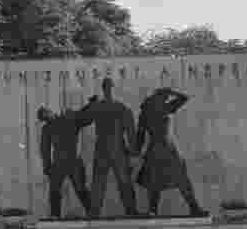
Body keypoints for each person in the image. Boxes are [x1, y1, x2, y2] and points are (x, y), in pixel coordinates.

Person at [135, 88, 207, 218]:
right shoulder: (147, 113)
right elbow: (140, 136)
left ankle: (194, 208)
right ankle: (153, 210)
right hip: (156, 149)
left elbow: (184, 98)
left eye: (164, 98)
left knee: (181, 179)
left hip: (169, 149)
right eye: (161, 97)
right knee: (154, 182)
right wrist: (137, 152)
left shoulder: (167, 108)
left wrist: (171, 92)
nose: (163, 100)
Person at [79, 78, 139, 219]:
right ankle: (129, 211)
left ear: (106, 89)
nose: (107, 90)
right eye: (107, 87)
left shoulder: (102, 107)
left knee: (105, 183)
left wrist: (90, 104)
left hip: (105, 150)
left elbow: (82, 119)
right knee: (116, 182)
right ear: (111, 88)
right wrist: (133, 152)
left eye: (107, 87)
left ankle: (96, 213)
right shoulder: (120, 107)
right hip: (114, 149)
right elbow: (130, 132)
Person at [37, 102, 94, 219]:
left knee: (79, 189)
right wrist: (47, 167)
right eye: (45, 115)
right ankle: (56, 215)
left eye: (47, 112)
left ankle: (92, 213)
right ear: (45, 118)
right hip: (63, 163)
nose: (48, 115)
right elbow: (45, 149)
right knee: (56, 191)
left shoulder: (67, 120)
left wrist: (89, 106)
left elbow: (86, 120)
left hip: (69, 162)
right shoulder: (51, 127)